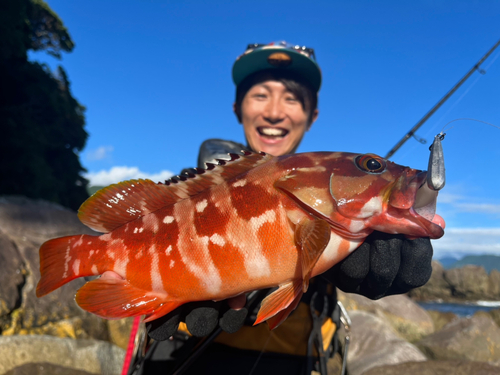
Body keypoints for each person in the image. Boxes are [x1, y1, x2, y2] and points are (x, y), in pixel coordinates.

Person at [133, 41, 434, 375]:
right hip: (180, 354)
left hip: (292, 360)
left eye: (292, 99)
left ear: (311, 116)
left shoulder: (330, 190)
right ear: (237, 108)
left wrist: (379, 248)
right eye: (260, 95)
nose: (275, 111)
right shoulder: (186, 190)